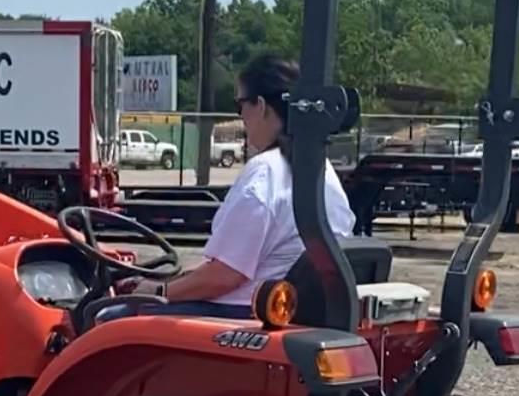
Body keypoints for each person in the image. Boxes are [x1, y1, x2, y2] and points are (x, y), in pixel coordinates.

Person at [98, 52, 355, 322]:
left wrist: (159, 289)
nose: (241, 117)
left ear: (261, 105)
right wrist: (178, 280)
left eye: (240, 105)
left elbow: (226, 276)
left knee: (108, 317)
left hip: (241, 315)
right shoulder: (321, 171)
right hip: (287, 310)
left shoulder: (264, 174)